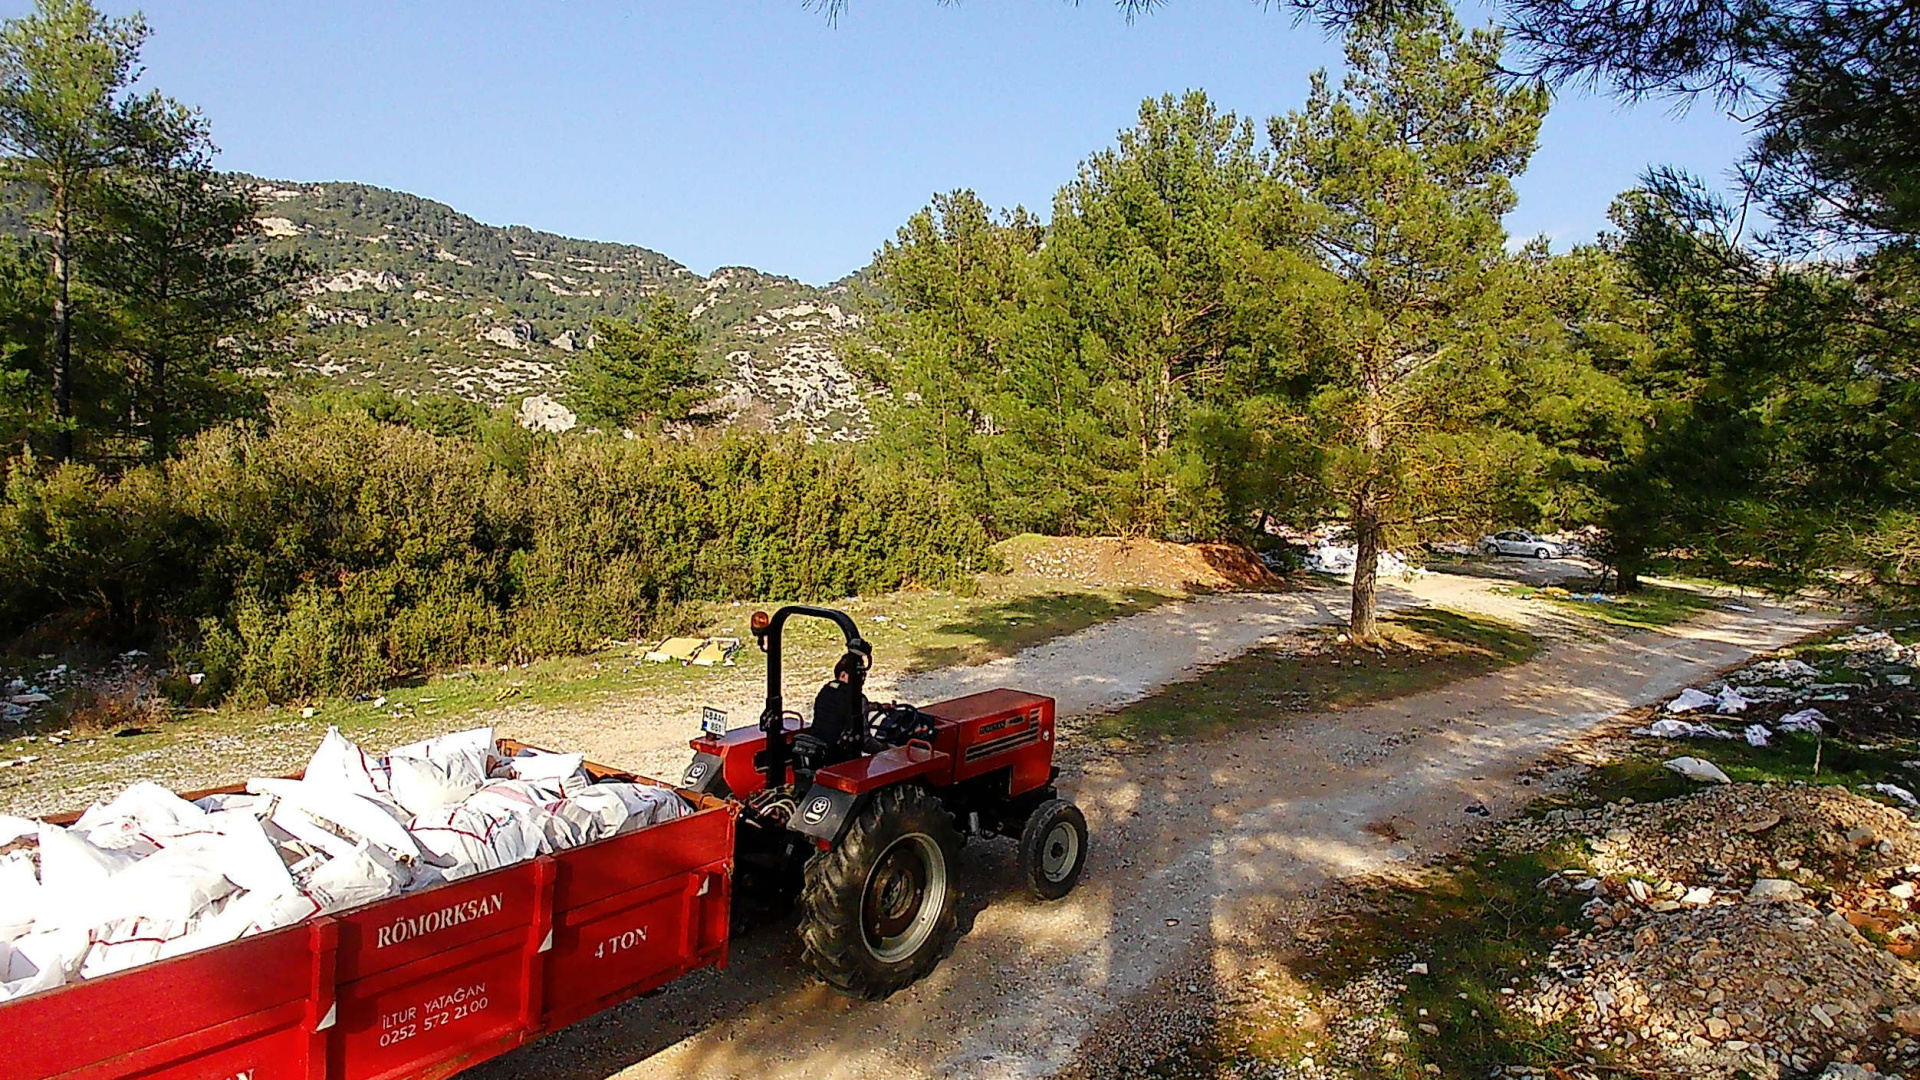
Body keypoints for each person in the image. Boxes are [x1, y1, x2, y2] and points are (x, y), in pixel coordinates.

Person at [795, 650, 868, 777]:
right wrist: (888, 749)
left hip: (818, 749)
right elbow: (866, 741)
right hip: (841, 760)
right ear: (844, 675)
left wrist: (874, 706)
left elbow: (836, 711)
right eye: (859, 675)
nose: (862, 680)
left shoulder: (825, 691)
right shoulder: (856, 700)